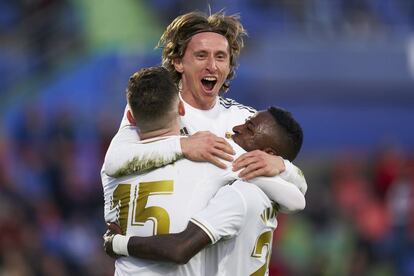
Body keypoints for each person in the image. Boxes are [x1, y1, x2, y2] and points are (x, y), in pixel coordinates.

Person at [103, 66, 305, 275]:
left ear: (130, 117)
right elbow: (297, 200)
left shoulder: (114, 166)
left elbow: (112, 162)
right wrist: (283, 166)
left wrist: (113, 242)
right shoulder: (215, 159)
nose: (236, 128)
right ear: (182, 109)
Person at [102, 11, 306, 191]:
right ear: (178, 62)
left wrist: (282, 166)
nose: (212, 66)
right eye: (201, 55)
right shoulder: (158, 106)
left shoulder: (246, 120)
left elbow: (299, 191)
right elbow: (114, 162)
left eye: (220, 57)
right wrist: (183, 146)